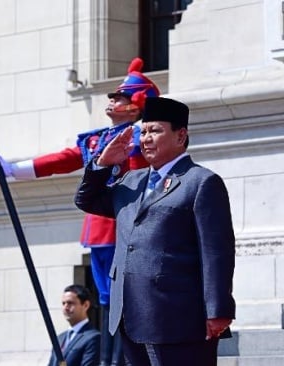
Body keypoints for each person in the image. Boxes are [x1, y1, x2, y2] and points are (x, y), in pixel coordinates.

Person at [0, 57, 159, 366]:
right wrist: (14, 169)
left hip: (126, 226)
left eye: (120, 96)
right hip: (99, 228)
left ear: (136, 105)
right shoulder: (98, 138)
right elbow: (64, 159)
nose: (112, 99)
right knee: (109, 300)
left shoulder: (144, 137)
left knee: (129, 298)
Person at [74, 96, 236, 366]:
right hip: (130, 314)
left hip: (179, 318)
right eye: (144, 131)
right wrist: (103, 164)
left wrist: (218, 309)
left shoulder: (200, 182)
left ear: (180, 135)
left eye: (155, 131)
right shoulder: (131, 181)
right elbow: (86, 200)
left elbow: (217, 252)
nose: (146, 139)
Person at [48, 285, 100, 366]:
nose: (66, 307)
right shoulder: (59, 338)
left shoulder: (93, 337)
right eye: (63, 303)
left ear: (86, 305)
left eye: (70, 303)